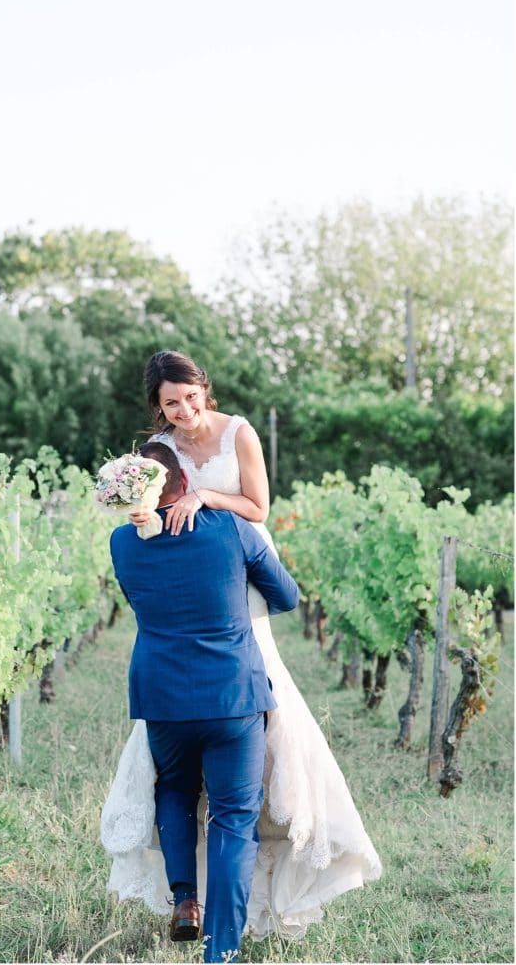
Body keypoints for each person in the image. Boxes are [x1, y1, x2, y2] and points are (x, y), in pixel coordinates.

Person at [101, 350, 382, 942]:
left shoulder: (238, 436)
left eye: (189, 397)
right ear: (158, 408)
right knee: (230, 797)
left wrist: (205, 500)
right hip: (223, 609)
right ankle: (218, 937)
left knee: (180, 779)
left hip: (217, 601)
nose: (182, 411)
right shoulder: (161, 453)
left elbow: (258, 509)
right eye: (169, 404)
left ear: (205, 388)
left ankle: (189, 898)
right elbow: (288, 593)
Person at [109, 441, 300, 962]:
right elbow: (287, 596)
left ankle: (185, 900)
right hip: (232, 693)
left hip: (162, 693)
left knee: (173, 789)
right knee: (234, 817)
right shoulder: (232, 530)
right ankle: (221, 951)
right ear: (182, 480)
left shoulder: (122, 543)